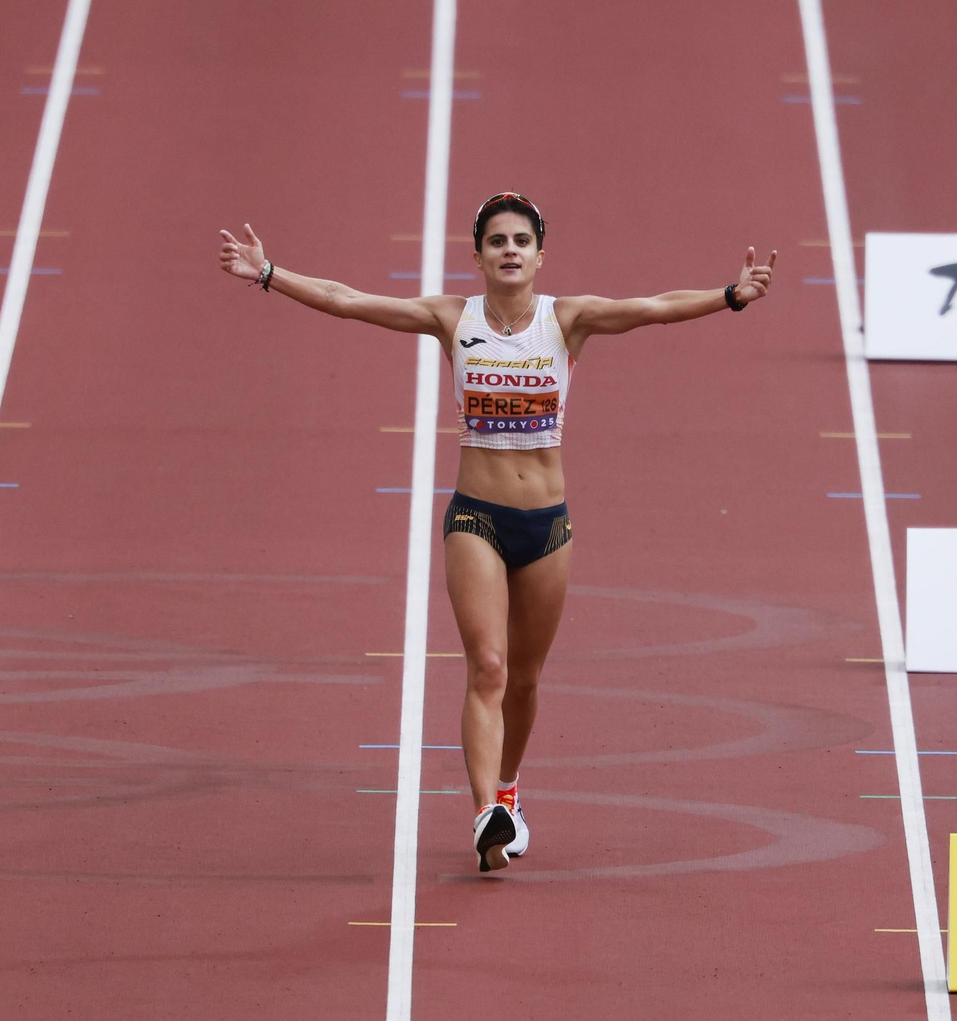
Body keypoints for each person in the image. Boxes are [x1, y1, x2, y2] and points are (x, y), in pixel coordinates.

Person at [219, 192, 776, 872]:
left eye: (521, 241)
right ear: (478, 256)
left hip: (547, 527)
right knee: (488, 665)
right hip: (476, 519)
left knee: (526, 680)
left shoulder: (567, 320)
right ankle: (487, 811)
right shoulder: (450, 318)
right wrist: (268, 272)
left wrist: (731, 295)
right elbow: (348, 300)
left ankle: (508, 788)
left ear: (540, 256)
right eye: (496, 241)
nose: (509, 250)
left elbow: (655, 307)